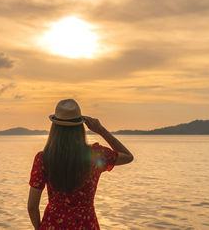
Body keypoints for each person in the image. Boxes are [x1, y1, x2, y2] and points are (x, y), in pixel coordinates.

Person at [27, 99, 134, 230]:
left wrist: (40, 228)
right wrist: (100, 130)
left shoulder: (44, 159)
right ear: (80, 127)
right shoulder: (95, 155)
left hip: (52, 225)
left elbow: (32, 207)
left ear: (54, 128)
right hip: (86, 225)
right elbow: (128, 156)